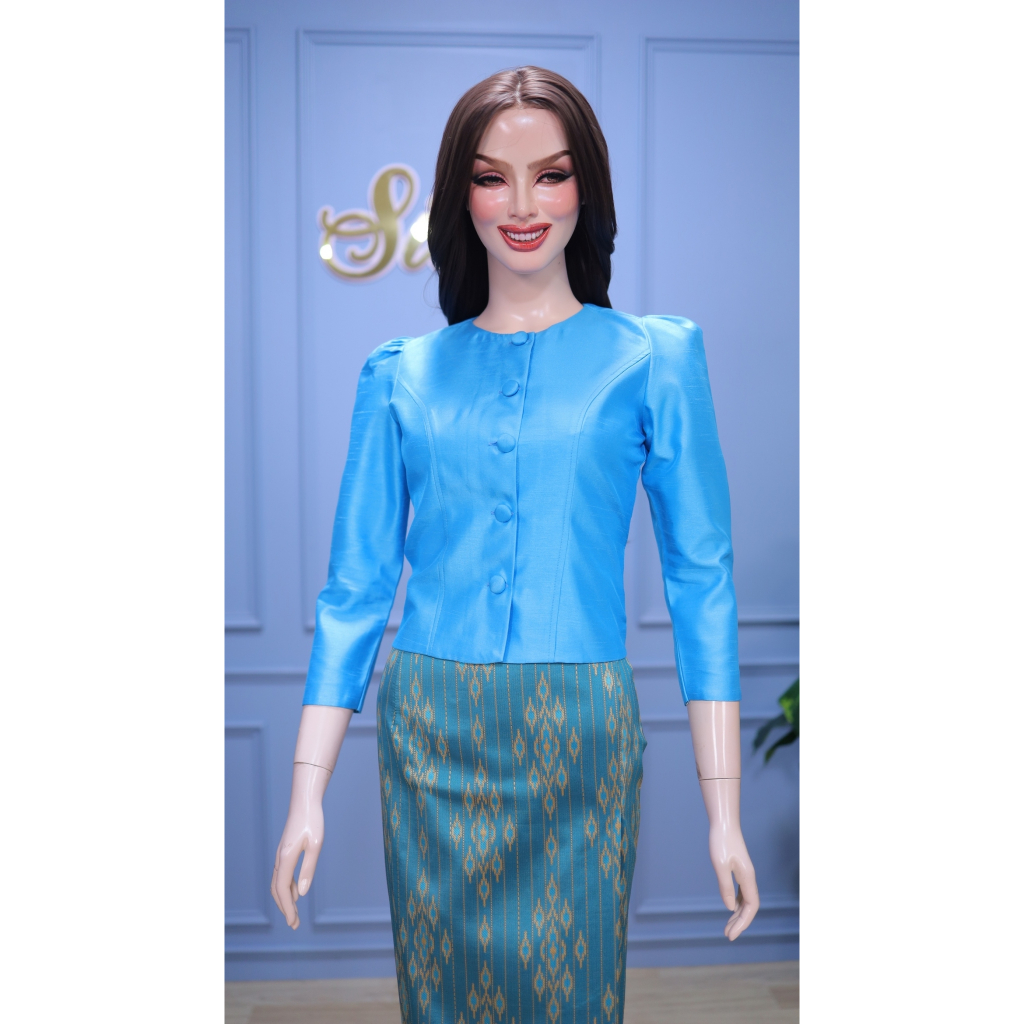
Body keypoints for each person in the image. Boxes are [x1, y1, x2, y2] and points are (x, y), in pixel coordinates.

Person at [271, 65, 758, 1024]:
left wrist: (724, 808)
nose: (524, 205)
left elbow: (702, 579)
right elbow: (356, 591)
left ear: (588, 187)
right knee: (441, 996)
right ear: (462, 196)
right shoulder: (400, 375)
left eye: (553, 174)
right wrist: (305, 791)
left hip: (578, 731)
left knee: (574, 991)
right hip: (430, 734)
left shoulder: (652, 358)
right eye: (493, 177)